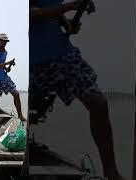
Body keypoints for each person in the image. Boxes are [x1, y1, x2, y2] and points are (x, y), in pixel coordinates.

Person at [30, 0, 125, 179]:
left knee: (98, 102)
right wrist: (71, 6)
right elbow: (30, 14)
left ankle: (111, 172)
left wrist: (65, 22)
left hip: (61, 56)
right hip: (30, 62)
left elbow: (49, 7)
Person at [0, 33, 27, 129]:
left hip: (3, 78)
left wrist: (7, 67)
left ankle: (20, 115)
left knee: (16, 93)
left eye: (6, 42)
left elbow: (2, 66)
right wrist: (6, 63)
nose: (5, 43)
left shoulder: (5, 52)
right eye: (3, 41)